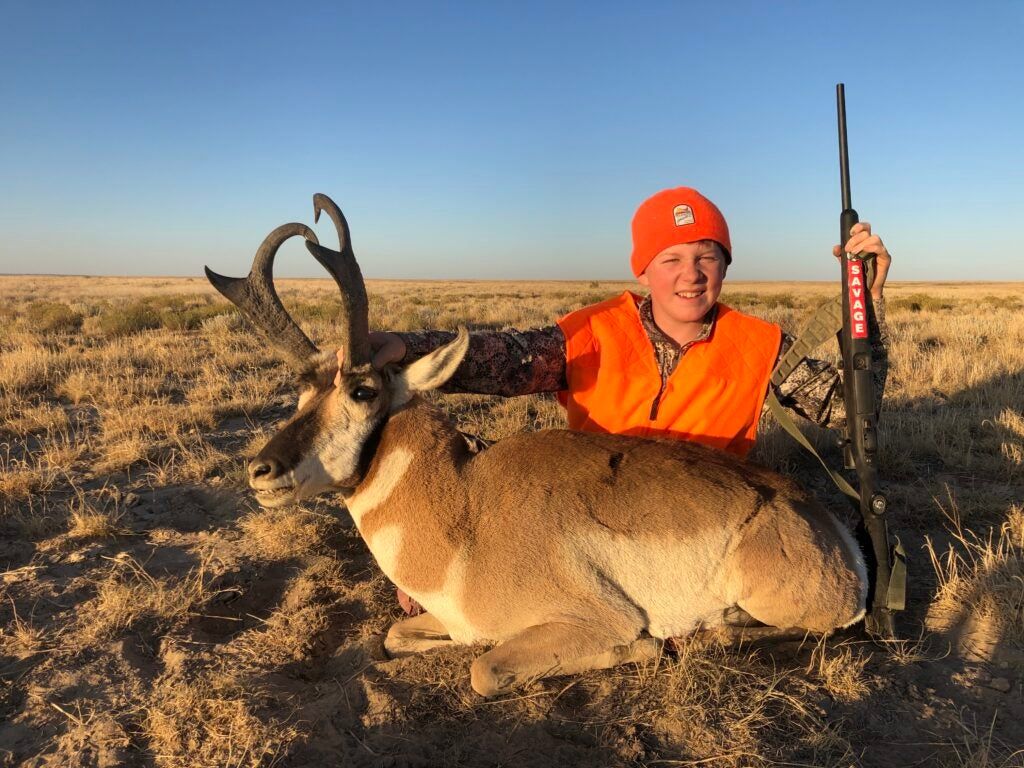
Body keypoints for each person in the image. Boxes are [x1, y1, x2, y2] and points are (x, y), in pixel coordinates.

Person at [369, 186, 892, 614]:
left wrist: (868, 302)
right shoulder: (592, 332)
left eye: (707, 256)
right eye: (672, 259)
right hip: (584, 519)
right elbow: (503, 358)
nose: (691, 274)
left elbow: (850, 407)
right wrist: (406, 347)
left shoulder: (761, 346)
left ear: (726, 267)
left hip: (694, 526)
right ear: (643, 271)